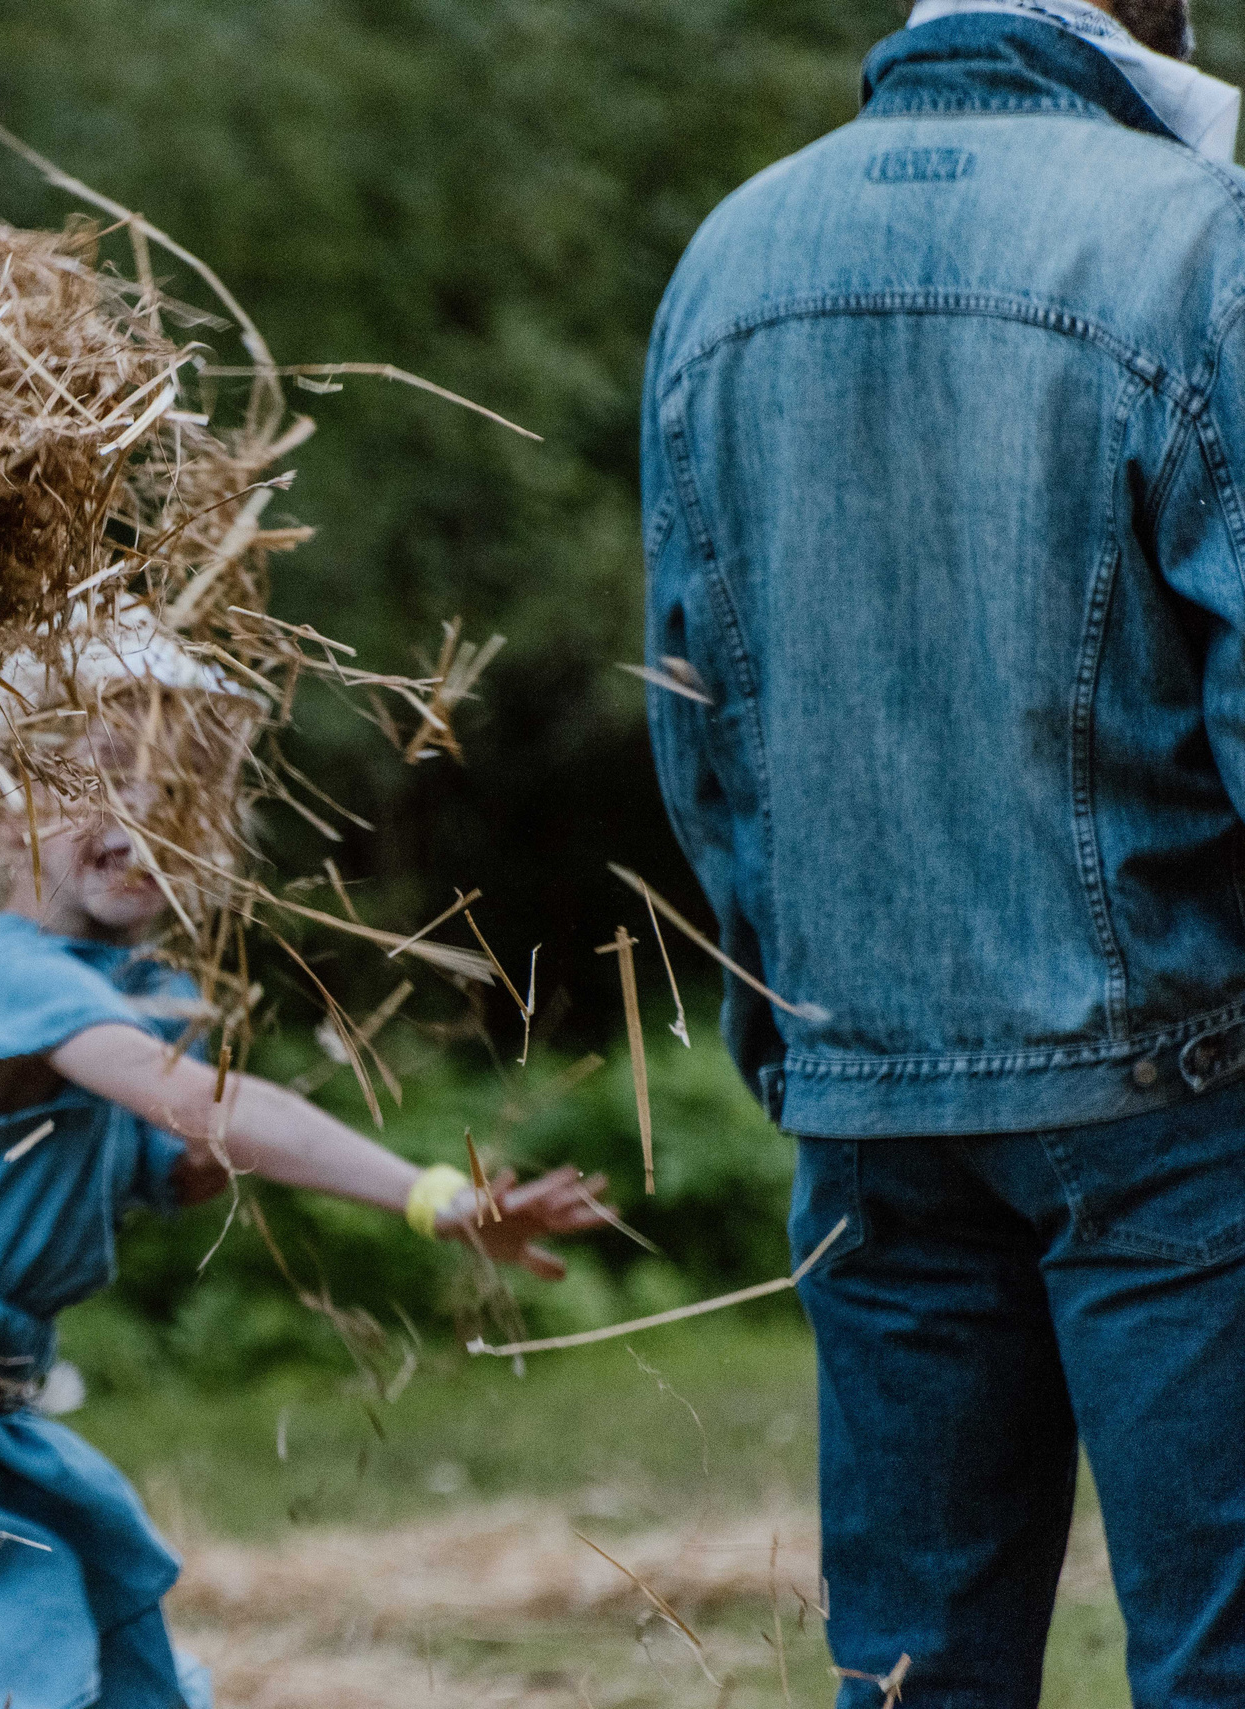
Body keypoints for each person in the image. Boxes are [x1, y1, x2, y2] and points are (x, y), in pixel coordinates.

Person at [641, 3, 1245, 1702]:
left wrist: (792, 1018)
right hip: (1171, 1075)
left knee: (917, 1669)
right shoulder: (1196, 242)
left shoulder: (729, 256)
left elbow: (699, 722)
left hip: (866, 1087)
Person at [0, 619, 608, 1709]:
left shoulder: (130, 992)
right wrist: (431, 1195)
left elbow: (181, 1153)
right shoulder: (12, 979)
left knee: (125, 1681)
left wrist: (214, 1144)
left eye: (182, 792)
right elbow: (209, 1105)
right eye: (101, 778)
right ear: (9, 814)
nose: (143, 817)